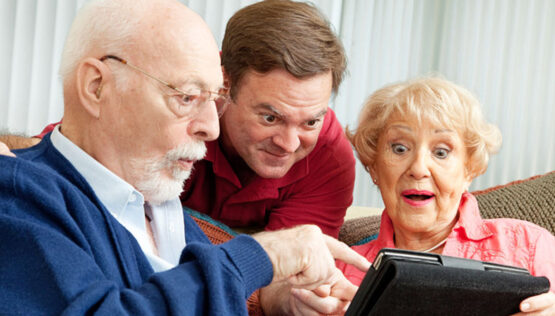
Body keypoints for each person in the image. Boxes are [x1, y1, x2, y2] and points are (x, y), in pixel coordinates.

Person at [0, 0, 369, 315]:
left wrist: (277, 295)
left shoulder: (167, 209)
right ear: (97, 86)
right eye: (187, 97)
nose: (212, 126)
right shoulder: (22, 199)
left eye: (211, 98)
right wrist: (259, 256)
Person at [338, 76, 555, 314]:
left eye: (441, 152)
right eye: (400, 148)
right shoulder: (342, 271)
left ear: (469, 169)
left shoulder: (529, 245)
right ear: (374, 167)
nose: (418, 168)